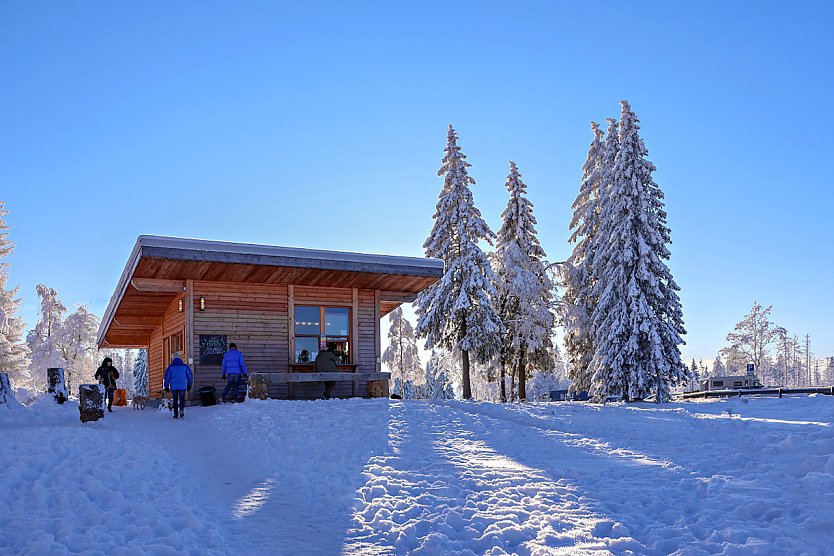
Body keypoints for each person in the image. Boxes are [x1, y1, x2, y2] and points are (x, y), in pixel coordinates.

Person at [163, 352, 193, 419]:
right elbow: (190, 375)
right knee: (182, 399)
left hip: (174, 387)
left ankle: (176, 414)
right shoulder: (185, 367)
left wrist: (166, 386)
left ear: (173, 359)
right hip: (182, 386)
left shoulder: (170, 367)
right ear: (179, 358)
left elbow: (167, 377)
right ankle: (181, 411)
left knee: (175, 400)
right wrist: (189, 384)